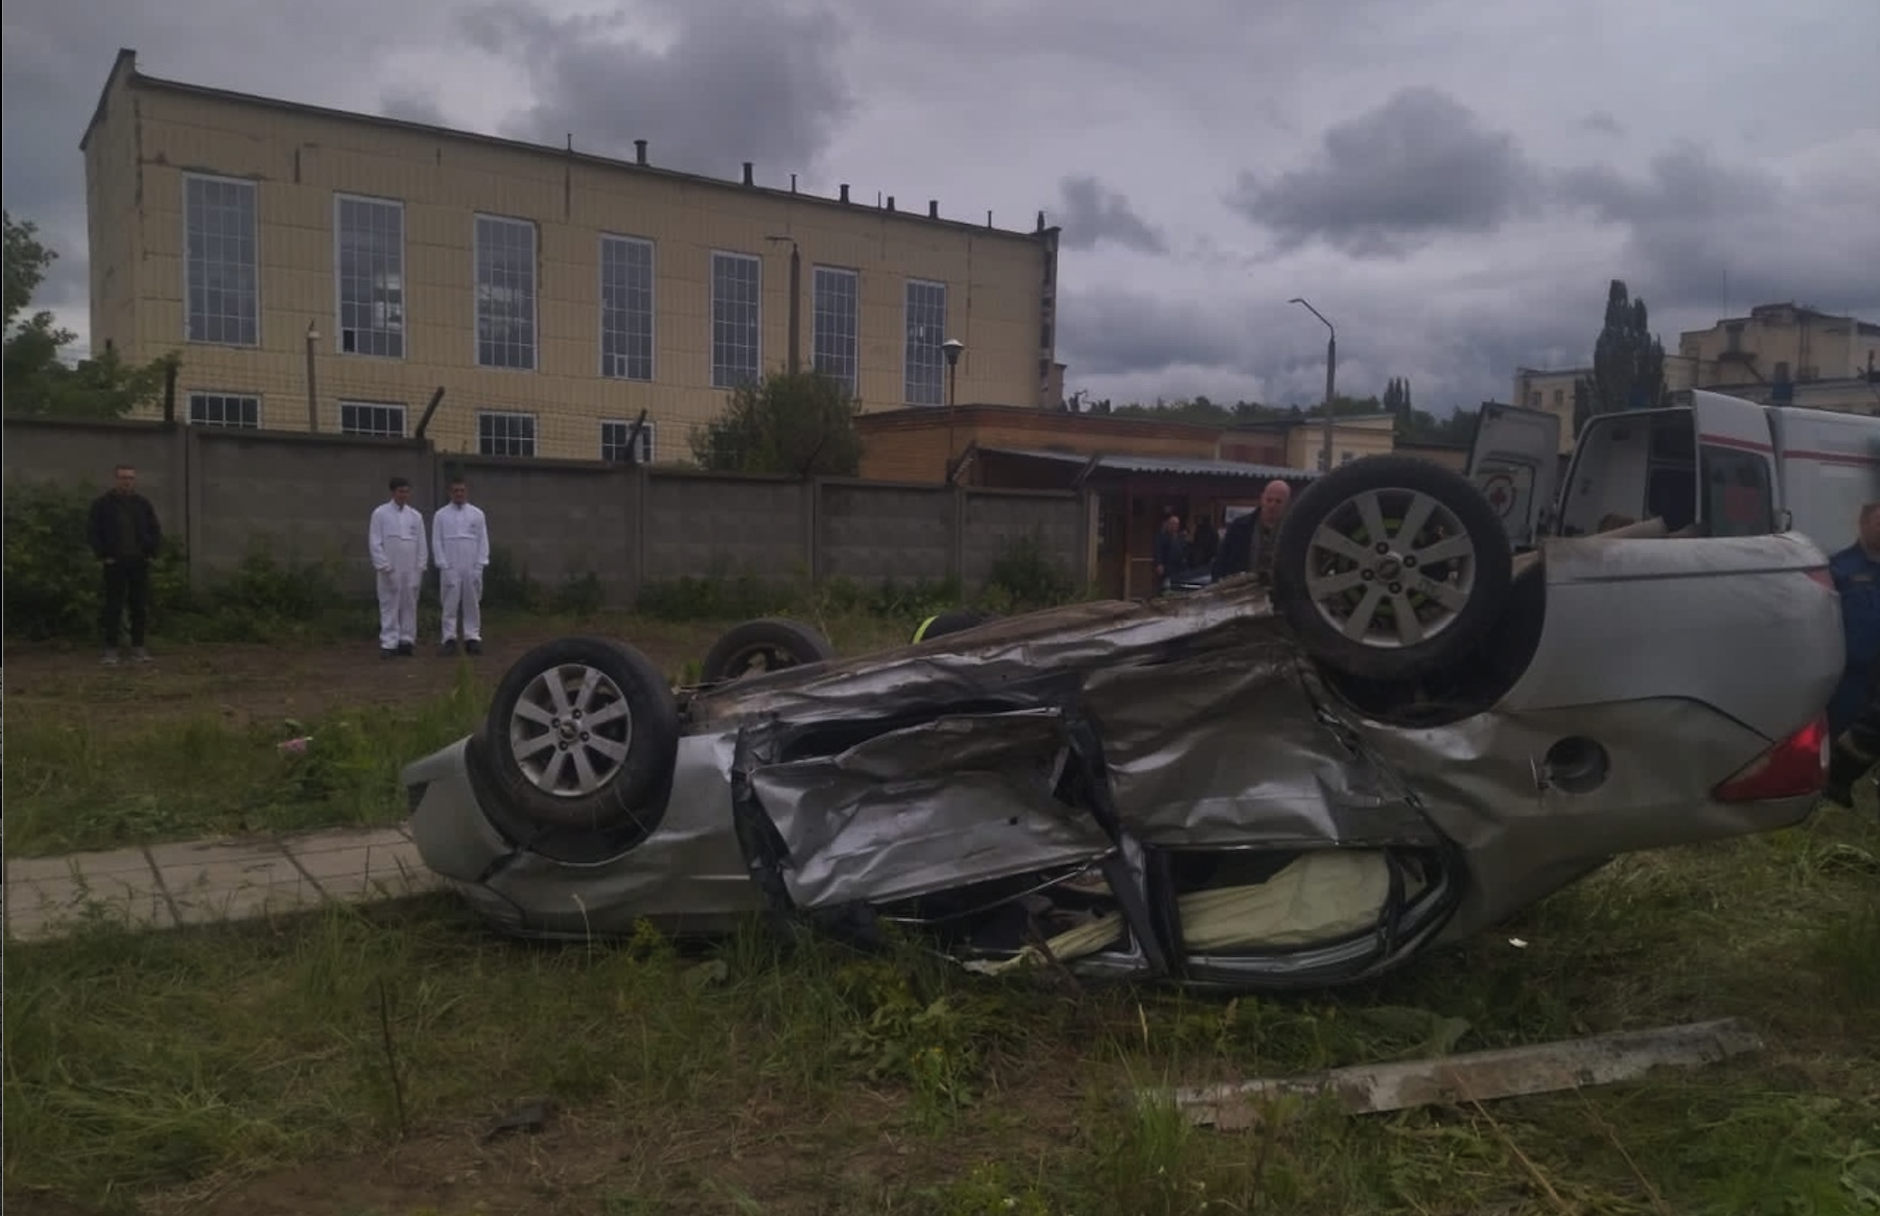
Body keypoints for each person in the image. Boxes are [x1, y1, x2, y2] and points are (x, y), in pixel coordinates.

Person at [1823, 502, 1880, 806]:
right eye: (1879, 522)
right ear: (1862, 523)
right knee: (1842, 740)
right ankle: (1831, 797)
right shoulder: (1838, 568)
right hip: (1851, 677)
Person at [86, 462, 163, 665]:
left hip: (139, 561)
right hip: (114, 562)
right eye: (122, 477)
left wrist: (151, 552)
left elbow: (154, 528)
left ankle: (138, 648)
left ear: (134, 480)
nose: (126, 481)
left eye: (130, 477)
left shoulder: (142, 504)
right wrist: (103, 555)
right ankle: (111, 650)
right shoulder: (103, 504)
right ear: (115, 479)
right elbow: (93, 532)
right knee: (113, 606)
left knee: (139, 606)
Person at [368, 476, 427, 659]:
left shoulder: (415, 516)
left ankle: (406, 640)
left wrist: (420, 568)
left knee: (409, 604)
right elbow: (375, 542)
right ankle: (389, 642)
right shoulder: (380, 514)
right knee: (389, 604)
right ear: (393, 492)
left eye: (406, 491)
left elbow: (421, 544)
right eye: (400, 491)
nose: (404, 495)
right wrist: (384, 566)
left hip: (410, 568)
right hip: (390, 567)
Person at [432, 476, 491, 656]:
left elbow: (483, 540)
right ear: (450, 492)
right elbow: (436, 540)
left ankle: (471, 637)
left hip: (471, 563)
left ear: (467, 492)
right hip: (450, 564)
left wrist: (480, 564)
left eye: (462, 490)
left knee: (471, 602)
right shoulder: (441, 515)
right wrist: (443, 564)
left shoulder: (477, 514)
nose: (459, 494)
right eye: (456, 490)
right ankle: (449, 638)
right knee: (450, 603)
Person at [1212, 480, 1293, 583]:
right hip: (1241, 593)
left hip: (1279, 594)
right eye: (1269, 500)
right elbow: (1220, 564)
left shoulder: (1293, 533)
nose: (1272, 505)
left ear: (1287, 503)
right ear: (1262, 499)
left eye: (1278, 501)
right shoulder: (1239, 528)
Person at [1152, 512, 1188, 592]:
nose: (1175, 525)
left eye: (1177, 524)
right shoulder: (1162, 536)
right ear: (1168, 524)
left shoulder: (1180, 537)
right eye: (1173, 523)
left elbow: (1184, 550)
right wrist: (1159, 564)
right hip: (1167, 566)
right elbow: (1157, 550)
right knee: (1165, 588)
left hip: (1179, 568)